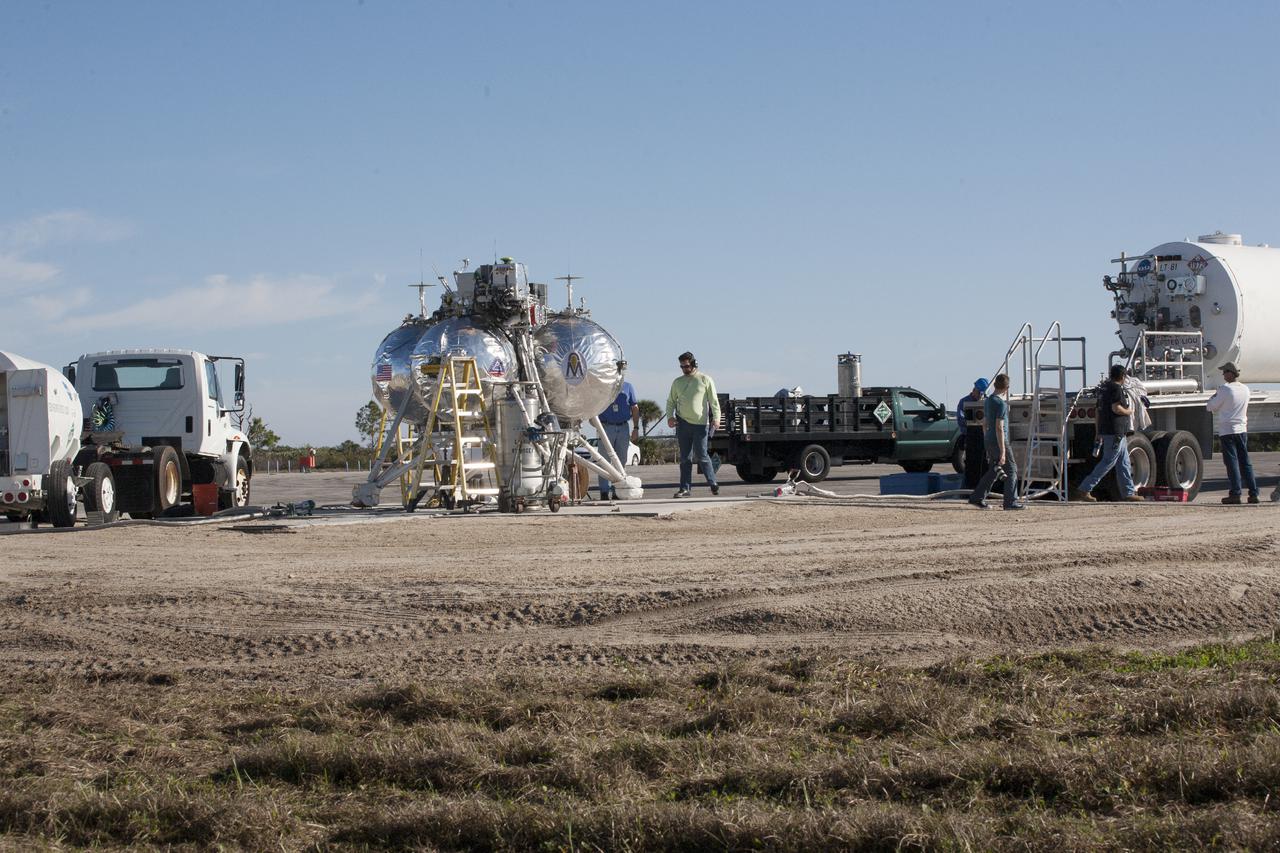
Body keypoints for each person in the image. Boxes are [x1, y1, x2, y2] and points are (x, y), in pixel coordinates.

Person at [1073, 364, 1143, 503]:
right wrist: (1129, 411)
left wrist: (1098, 432)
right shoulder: (1116, 389)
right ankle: (1084, 489)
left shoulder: (1103, 389)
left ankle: (1128, 492)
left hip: (1111, 431)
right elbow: (1116, 408)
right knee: (1108, 462)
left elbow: (1098, 411)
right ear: (1122, 376)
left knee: (1124, 462)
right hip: (1115, 431)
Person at [665, 351, 721, 498]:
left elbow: (714, 401)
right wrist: (670, 417)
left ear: (694, 363)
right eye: (682, 367)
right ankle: (685, 488)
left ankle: (713, 483)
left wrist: (717, 418)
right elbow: (670, 401)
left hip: (701, 425)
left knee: (702, 455)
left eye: (687, 366)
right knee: (685, 458)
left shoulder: (705, 379)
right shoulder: (677, 382)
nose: (685, 369)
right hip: (682, 424)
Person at [968, 373, 1026, 510]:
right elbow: (999, 427)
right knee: (1011, 469)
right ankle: (1010, 502)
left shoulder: (988, 401)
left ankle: (977, 497)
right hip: (999, 441)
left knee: (994, 471)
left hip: (989, 439)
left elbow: (984, 423)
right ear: (1007, 388)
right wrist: (1003, 451)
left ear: (994, 385)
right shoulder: (1001, 404)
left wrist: (987, 440)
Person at [1207, 361, 1259, 504]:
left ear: (1230, 373)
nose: (1223, 375)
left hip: (1227, 430)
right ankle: (1253, 493)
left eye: (1224, 372)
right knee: (1245, 462)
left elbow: (1210, 406)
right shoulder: (1245, 389)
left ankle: (1235, 493)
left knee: (1232, 463)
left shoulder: (1225, 389)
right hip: (1242, 429)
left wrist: (1213, 397)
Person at [596, 379, 639, 500]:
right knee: (604, 460)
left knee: (621, 460)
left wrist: (636, 428)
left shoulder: (628, 386)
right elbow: (594, 403)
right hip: (606, 426)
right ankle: (604, 491)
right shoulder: (601, 385)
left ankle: (618, 490)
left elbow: (634, 407)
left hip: (623, 427)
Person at [958, 377, 989, 489]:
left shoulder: (987, 402)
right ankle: (967, 489)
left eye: (982, 393)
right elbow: (961, 420)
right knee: (970, 466)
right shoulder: (964, 402)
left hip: (984, 437)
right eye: (979, 392)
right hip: (970, 437)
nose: (979, 395)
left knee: (984, 464)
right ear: (974, 389)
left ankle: (982, 488)